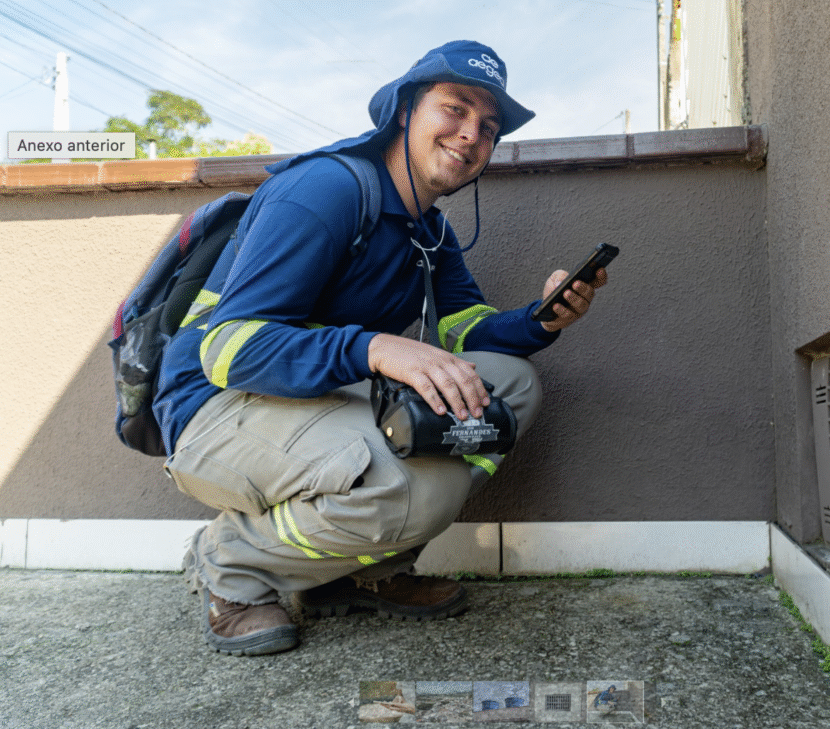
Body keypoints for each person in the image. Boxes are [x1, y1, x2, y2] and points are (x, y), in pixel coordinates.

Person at [157, 40, 608, 656]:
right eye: (455, 108)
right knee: (407, 488)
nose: (472, 133)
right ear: (404, 111)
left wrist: (543, 320)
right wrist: (378, 350)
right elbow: (231, 348)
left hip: (315, 400)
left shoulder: (430, 227)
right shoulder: (325, 190)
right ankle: (230, 565)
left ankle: (354, 572)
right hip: (216, 409)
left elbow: (462, 330)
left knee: (509, 386)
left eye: (489, 125)